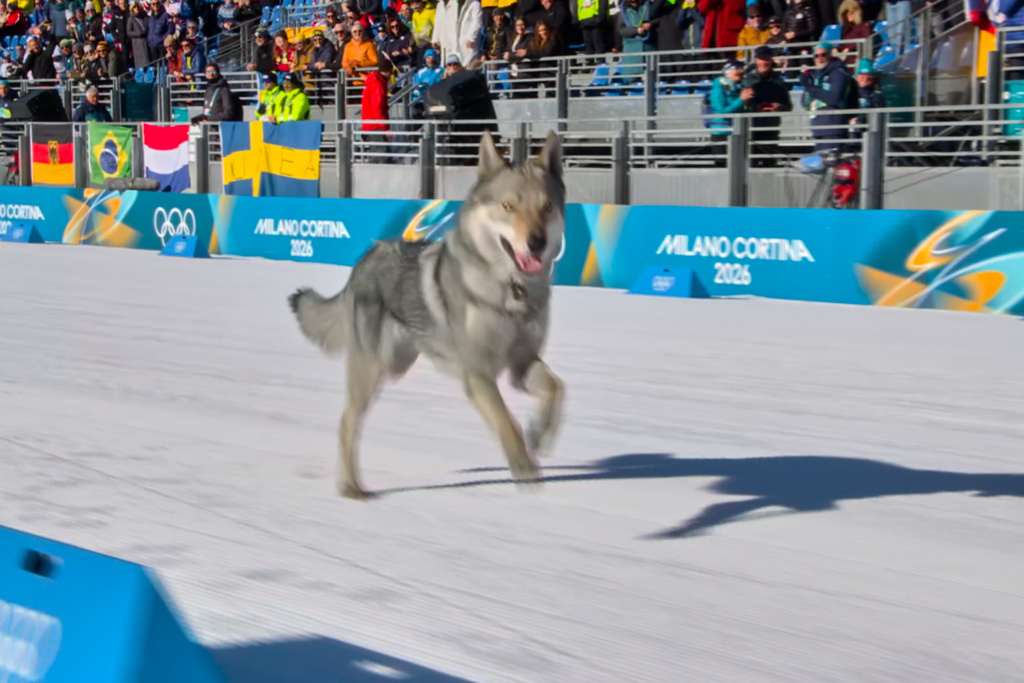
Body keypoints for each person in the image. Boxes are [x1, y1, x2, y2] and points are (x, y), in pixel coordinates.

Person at [798, 42, 854, 153]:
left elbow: (834, 99)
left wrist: (810, 87)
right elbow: (806, 104)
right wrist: (808, 86)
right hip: (819, 127)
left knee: (831, 166)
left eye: (823, 54)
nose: (820, 58)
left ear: (830, 55)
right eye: (816, 55)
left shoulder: (838, 73)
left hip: (832, 127)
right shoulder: (817, 76)